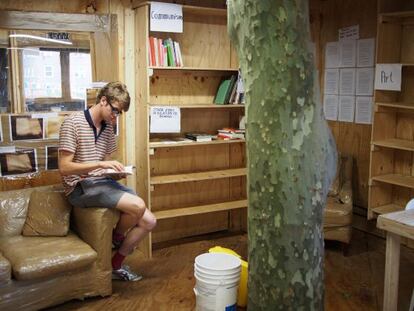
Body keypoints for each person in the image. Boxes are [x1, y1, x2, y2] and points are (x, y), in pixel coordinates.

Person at [58, 81, 156, 281]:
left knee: (149, 221)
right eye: (115, 111)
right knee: (137, 205)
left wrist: (114, 172)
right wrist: (100, 165)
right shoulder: (73, 123)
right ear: (103, 101)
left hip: (100, 182)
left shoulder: (109, 128)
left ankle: (115, 265)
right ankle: (116, 238)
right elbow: (64, 167)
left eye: (119, 113)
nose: (116, 116)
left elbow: (104, 165)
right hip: (78, 188)